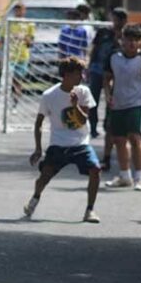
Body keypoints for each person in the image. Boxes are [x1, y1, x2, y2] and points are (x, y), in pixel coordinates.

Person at [24, 57, 100, 223]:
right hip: (58, 144)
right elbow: (38, 123)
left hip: (80, 143)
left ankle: (90, 210)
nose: (81, 77)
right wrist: (38, 148)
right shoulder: (49, 95)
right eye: (77, 73)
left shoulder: (83, 92)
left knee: (95, 169)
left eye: (82, 73)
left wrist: (75, 105)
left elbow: (83, 119)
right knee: (45, 177)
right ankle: (34, 199)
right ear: (66, 75)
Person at [103, 23, 141, 191]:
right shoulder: (113, 56)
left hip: (137, 104)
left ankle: (140, 176)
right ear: (122, 40)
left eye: (136, 40)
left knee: (135, 138)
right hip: (118, 103)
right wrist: (107, 95)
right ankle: (124, 175)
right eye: (129, 40)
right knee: (118, 140)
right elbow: (106, 78)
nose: (132, 43)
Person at [88, 7, 127, 144]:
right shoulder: (103, 32)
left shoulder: (125, 35)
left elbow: (125, 51)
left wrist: (118, 38)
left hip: (114, 73)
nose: (115, 22)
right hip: (97, 69)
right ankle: (92, 127)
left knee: (111, 100)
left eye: (119, 20)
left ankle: (107, 126)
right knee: (93, 99)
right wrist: (89, 67)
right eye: (114, 19)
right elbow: (94, 49)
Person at [4, 3, 35, 110]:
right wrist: (12, 38)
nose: (19, 12)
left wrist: (24, 38)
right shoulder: (9, 23)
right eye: (17, 10)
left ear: (24, 11)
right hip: (11, 56)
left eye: (21, 10)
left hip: (23, 56)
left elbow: (30, 43)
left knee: (18, 81)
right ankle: (9, 101)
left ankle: (15, 104)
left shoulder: (29, 24)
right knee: (10, 80)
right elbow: (4, 39)